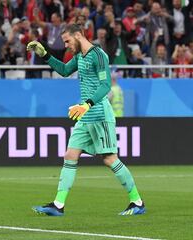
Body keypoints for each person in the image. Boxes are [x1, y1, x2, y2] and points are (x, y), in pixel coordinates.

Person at [27, 23, 145, 217]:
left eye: (67, 41)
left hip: (99, 114)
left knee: (109, 159)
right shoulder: (80, 56)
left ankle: (137, 201)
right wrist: (45, 55)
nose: (66, 45)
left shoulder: (98, 55)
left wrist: (87, 104)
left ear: (79, 35)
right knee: (70, 155)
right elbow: (65, 71)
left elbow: (105, 85)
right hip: (85, 115)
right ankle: (58, 205)